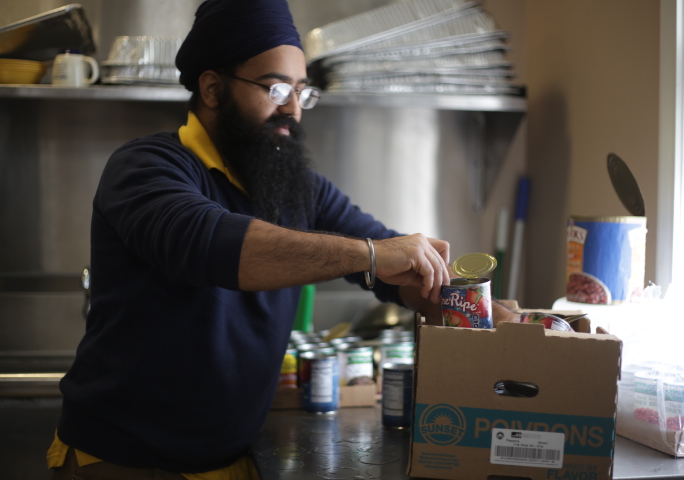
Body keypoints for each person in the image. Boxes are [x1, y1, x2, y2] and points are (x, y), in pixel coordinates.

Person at [46, 0, 516, 479]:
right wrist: (371, 254)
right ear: (212, 88)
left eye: (302, 92)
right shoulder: (146, 167)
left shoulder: (297, 189)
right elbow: (212, 245)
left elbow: (395, 269)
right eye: (275, 88)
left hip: (231, 460)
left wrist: (477, 312)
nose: (292, 108)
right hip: (123, 462)